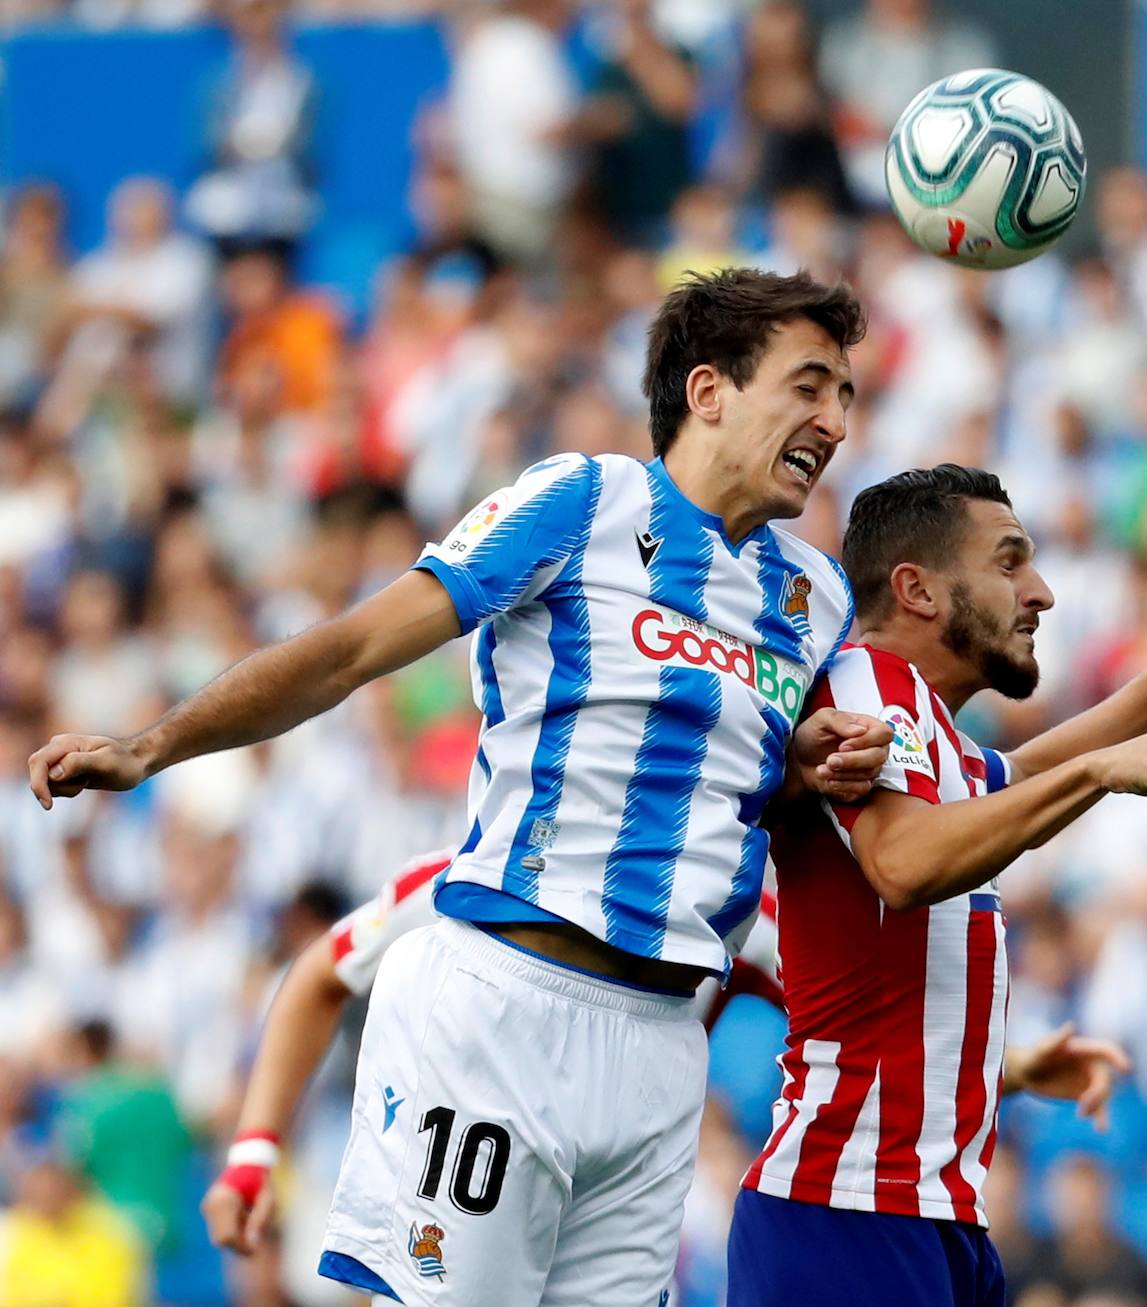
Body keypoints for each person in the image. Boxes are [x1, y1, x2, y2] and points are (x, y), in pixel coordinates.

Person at [29, 267, 890, 1305]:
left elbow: (767, 793)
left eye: (844, 393)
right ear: (709, 391)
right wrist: (152, 744)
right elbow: (352, 650)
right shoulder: (582, 500)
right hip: (507, 1007)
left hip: (663, 1047)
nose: (834, 418)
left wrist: (808, 764)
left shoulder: (816, 592)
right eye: (808, 384)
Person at [729, 464, 1147, 1306]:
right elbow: (903, 866)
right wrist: (1102, 773)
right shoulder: (863, 682)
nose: (1041, 591)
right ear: (919, 590)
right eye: (1009, 561)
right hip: (846, 1208)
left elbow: (1046, 758)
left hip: (927, 1214)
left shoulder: (939, 736)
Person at [200, 848, 784, 1255]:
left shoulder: (724, 911)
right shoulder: (460, 881)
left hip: (617, 1205)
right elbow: (316, 977)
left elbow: (852, 1010)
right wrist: (253, 1154)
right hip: (463, 1191)